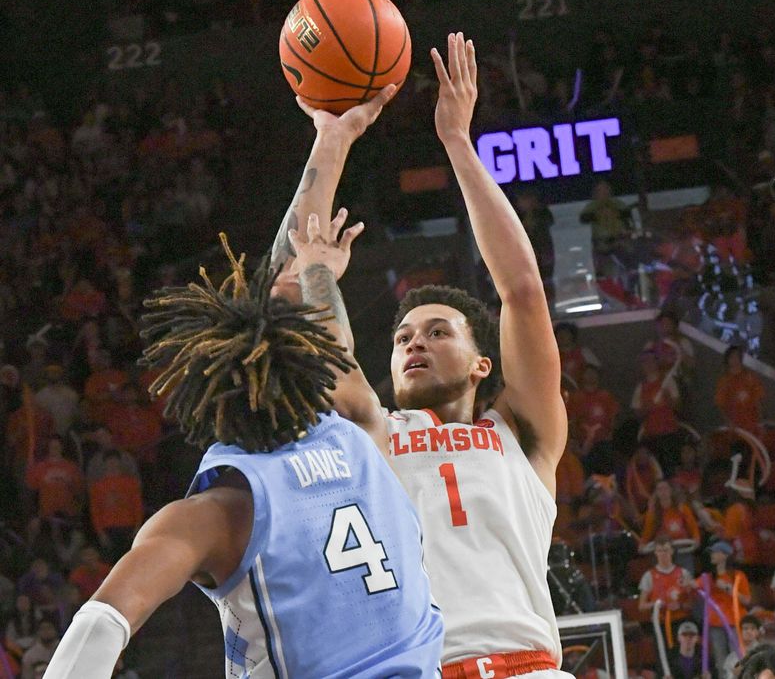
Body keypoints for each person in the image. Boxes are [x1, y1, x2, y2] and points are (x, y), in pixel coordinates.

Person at [284, 33, 571, 677]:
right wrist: (319, 271)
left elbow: (522, 292)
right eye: (403, 337)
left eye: (438, 331)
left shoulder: (522, 433)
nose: (414, 342)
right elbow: (322, 352)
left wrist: (460, 147)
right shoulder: (376, 433)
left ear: (482, 363)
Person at [43, 238, 443, 679]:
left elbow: (103, 623)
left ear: (203, 404)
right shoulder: (363, 436)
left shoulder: (216, 513)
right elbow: (338, 346)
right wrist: (317, 272)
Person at [701, 540, 752, 674]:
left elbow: (747, 600)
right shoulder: (709, 577)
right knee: (720, 661)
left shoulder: (738, 576)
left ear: (724, 555)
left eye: (715, 552)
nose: (712, 555)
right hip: (716, 623)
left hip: (735, 622)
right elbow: (694, 585)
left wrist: (729, 589)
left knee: (738, 659)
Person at [637, 536, 694, 633]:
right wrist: (656, 604)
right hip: (660, 623)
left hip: (681, 621)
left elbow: (691, 603)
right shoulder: (649, 576)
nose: (663, 554)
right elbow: (641, 606)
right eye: (660, 551)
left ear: (672, 551)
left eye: (666, 550)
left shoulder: (683, 573)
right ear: (655, 552)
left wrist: (680, 605)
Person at [714, 345, 764, 436]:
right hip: (735, 429)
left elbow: (758, 401)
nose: (735, 360)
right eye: (732, 357)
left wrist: (760, 422)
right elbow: (720, 405)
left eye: (737, 356)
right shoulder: (724, 381)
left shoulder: (750, 378)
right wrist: (728, 422)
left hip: (752, 427)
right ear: (727, 360)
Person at [722, 614, 761, 679]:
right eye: (745, 629)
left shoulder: (763, 653)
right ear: (740, 632)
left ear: (757, 632)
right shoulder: (732, 658)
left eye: (752, 629)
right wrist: (735, 675)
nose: (749, 631)